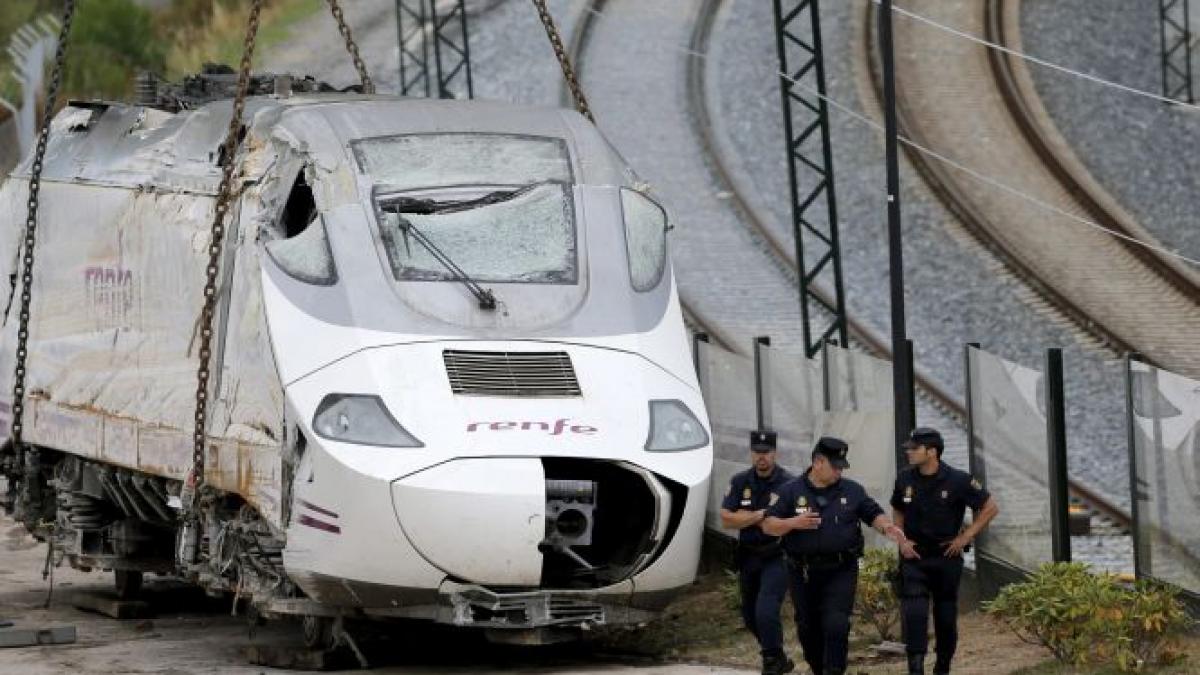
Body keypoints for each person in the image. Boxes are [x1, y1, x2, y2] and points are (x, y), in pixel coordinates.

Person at [764, 437, 916, 675]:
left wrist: (888, 528)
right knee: (807, 627)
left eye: (841, 467)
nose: (839, 472)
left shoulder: (852, 490)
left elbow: (872, 513)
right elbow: (768, 525)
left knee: (837, 623)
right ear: (817, 462)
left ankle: (834, 670)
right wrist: (793, 523)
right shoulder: (790, 491)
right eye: (835, 466)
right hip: (802, 572)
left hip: (841, 569)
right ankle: (818, 667)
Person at [891, 427, 999, 675]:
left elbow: (990, 507)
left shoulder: (958, 480)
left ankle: (943, 665)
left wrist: (966, 536)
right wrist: (902, 540)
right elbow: (898, 510)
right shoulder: (905, 478)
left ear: (932, 452)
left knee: (946, 617)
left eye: (914, 448)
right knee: (914, 612)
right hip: (914, 556)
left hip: (946, 557)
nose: (909, 452)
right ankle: (915, 666)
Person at [720, 430, 796, 675]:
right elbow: (726, 519)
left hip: (777, 554)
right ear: (751, 453)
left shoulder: (788, 483)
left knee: (766, 609)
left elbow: (784, 520)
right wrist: (760, 515)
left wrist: (745, 518)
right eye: (757, 452)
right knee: (750, 615)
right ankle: (778, 657)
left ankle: (772, 662)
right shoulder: (740, 481)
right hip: (748, 554)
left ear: (775, 453)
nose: (761, 457)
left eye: (766, 452)